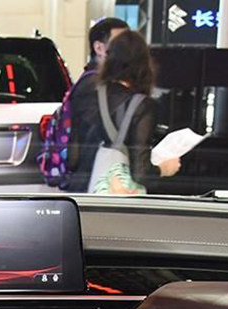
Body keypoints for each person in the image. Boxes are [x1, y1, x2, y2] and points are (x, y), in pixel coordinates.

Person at [66, 29, 180, 195]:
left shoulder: (85, 92)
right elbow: (140, 173)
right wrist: (164, 168)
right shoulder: (142, 106)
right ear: (143, 64)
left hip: (80, 194)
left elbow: (72, 159)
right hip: (115, 202)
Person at [42, 16, 130, 191]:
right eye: (121, 43)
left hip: (91, 178)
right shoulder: (95, 86)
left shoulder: (95, 82)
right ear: (99, 48)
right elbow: (95, 139)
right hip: (91, 180)